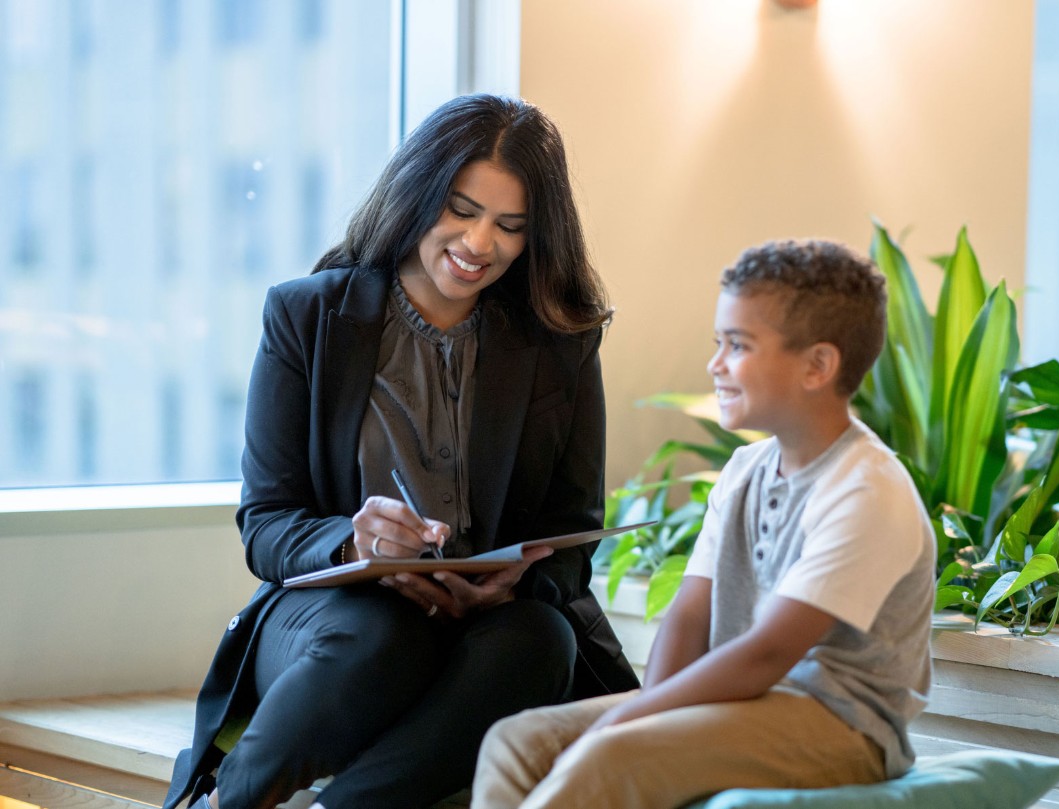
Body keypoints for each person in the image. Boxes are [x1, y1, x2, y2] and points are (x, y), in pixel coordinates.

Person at [164, 94, 640, 809]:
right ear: (417, 192)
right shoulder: (308, 316)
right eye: (461, 210)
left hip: (494, 623)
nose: (480, 244)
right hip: (341, 617)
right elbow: (266, 525)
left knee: (542, 638)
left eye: (510, 227)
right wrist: (354, 545)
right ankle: (230, 800)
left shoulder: (560, 343)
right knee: (384, 635)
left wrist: (509, 584)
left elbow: (573, 536)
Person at [471, 239, 937, 808]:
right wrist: (646, 708)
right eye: (719, 343)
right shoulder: (745, 470)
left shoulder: (868, 492)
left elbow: (767, 654)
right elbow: (690, 615)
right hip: (742, 706)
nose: (715, 364)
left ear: (818, 365)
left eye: (737, 346)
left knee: (612, 758)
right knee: (518, 740)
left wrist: (634, 724)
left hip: (841, 727)